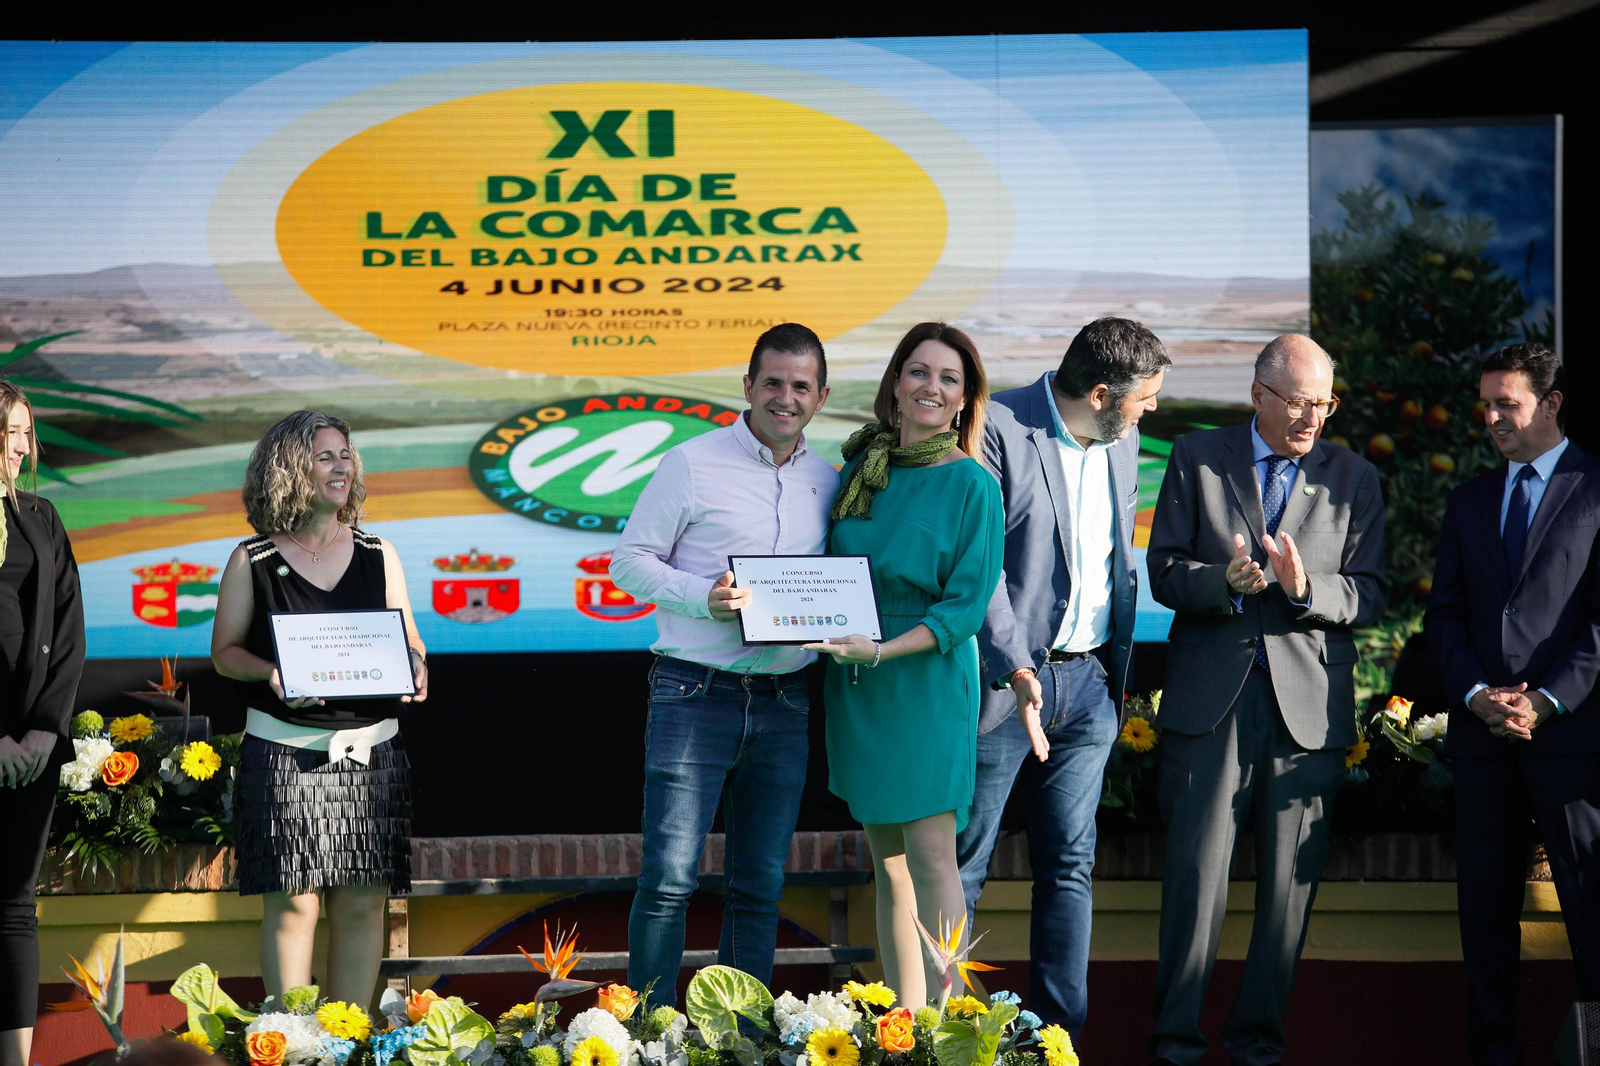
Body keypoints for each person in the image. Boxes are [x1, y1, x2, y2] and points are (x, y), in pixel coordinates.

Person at [1146, 335, 1387, 1066]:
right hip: (1208, 704)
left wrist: (1305, 589)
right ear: (1259, 395)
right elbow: (1164, 570)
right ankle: (1175, 1046)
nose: (1314, 417)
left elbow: (1371, 592)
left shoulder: (1356, 478)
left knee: (1287, 899)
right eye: (1300, 402)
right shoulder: (1197, 456)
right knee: (1193, 886)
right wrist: (1224, 581)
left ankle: (1256, 1046)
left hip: (1307, 709)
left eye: (1325, 403)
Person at [610, 323, 838, 1006]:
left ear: (821, 396)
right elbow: (628, 561)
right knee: (670, 880)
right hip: (692, 693)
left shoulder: (829, 480)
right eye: (773, 383)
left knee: (759, 884)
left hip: (786, 699)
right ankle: (649, 1034)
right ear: (748, 386)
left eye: (801, 387)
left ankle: (740, 1039)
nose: (785, 398)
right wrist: (699, 597)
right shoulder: (690, 463)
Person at [956, 318, 1169, 1038]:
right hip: (1002, 689)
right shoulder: (997, 426)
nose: (1152, 413)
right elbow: (979, 571)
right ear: (1102, 392)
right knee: (963, 866)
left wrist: (1110, 676)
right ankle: (945, 1035)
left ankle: (1057, 1041)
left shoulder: (1122, 436)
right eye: (1146, 399)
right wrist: (1016, 668)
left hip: (1088, 690)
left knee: (1071, 865)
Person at [805, 322, 1005, 1007]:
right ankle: (906, 1024)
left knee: (930, 857)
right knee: (887, 870)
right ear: (895, 382)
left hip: (922, 681)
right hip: (857, 684)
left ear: (963, 401)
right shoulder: (861, 469)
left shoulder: (972, 485)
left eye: (949, 379)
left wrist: (883, 649)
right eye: (919, 372)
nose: (931, 387)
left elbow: (963, 610)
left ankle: (952, 1028)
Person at [211, 411, 428, 1009]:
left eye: (346, 454)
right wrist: (271, 672)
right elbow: (225, 653)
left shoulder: (377, 551)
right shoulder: (251, 558)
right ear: (288, 468)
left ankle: (349, 1038)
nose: (342, 466)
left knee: (362, 902)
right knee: (294, 901)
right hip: (284, 753)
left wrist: (416, 665)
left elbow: (411, 639)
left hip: (371, 751)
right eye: (326, 455)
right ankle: (291, 1042)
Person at [1425, 343, 1600, 1066]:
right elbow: (1444, 618)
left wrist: (1547, 701)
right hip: (1483, 739)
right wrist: (1476, 696)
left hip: (1572, 741)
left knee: (1591, 915)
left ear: (1552, 404)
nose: (1492, 417)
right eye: (1487, 403)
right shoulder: (1468, 499)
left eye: (1509, 403)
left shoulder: (1596, 488)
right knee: (1485, 920)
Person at [0, 381, 85, 1066]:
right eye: (9, 430)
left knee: (14, 906)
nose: (20, 445)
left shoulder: (43, 517)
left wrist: (44, 731)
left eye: (26, 432)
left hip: (31, 748)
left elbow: (69, 632)